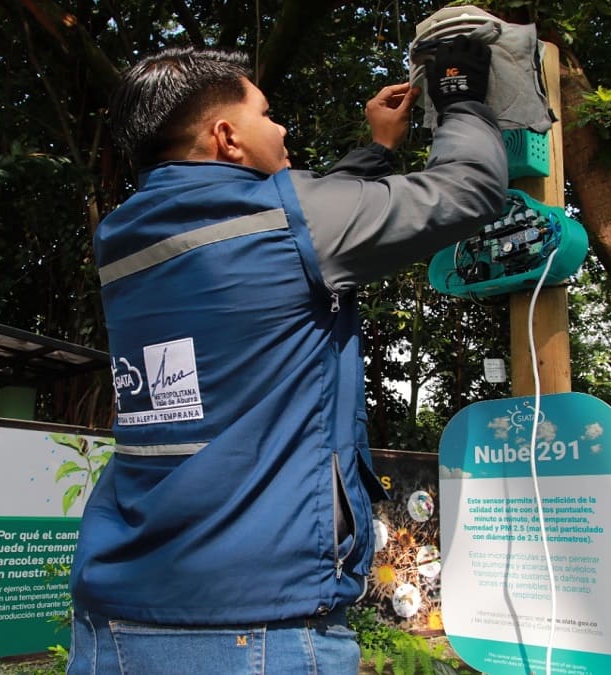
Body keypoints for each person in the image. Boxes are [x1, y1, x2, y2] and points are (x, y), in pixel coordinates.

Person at [69, 37, 505, 675]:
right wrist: (461, 93)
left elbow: (296, 226)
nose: (281, 129)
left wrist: (379, 150)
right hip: (254, 628)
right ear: (227, 137)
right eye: (267, 115)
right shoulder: (283, 223)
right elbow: (468, 189)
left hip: (115, 618)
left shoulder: (127, 236)